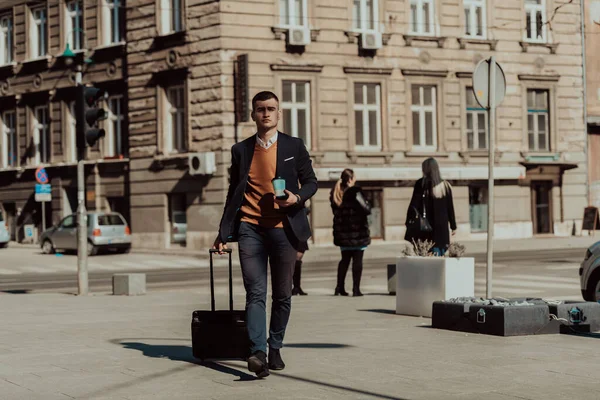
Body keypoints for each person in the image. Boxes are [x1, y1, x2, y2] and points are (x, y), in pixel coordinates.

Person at [212, 91, 318, 378]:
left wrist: (296, 198)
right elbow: (234, 193)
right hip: (250, 229)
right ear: (253, 115)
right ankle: (257, 352)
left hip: (285, 229)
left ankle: (275, 346)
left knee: (283, 294)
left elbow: (311, 182)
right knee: (255, 293)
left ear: (279, 113)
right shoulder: (241, 149)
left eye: (271, 109)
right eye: (261, 109)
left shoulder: (294, 145)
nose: (266, 114)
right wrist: (224, 231)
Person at [330, 169, 371, 297]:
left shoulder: (336, 193)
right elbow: (366, 209)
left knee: (345, 260)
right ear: (350, 179)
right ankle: (356, 289)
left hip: (343, 233)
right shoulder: (355, 192)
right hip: (357, 232)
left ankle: (339, 287)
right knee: (357, 260)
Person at [405, 157, 456, 256]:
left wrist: (408, 221)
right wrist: (453, 226)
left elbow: (413, 205)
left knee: (425, 255)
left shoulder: (421, 184)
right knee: (438, 254)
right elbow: (450, 208)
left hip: (425, 227)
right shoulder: (445, 186)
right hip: (441, 228)